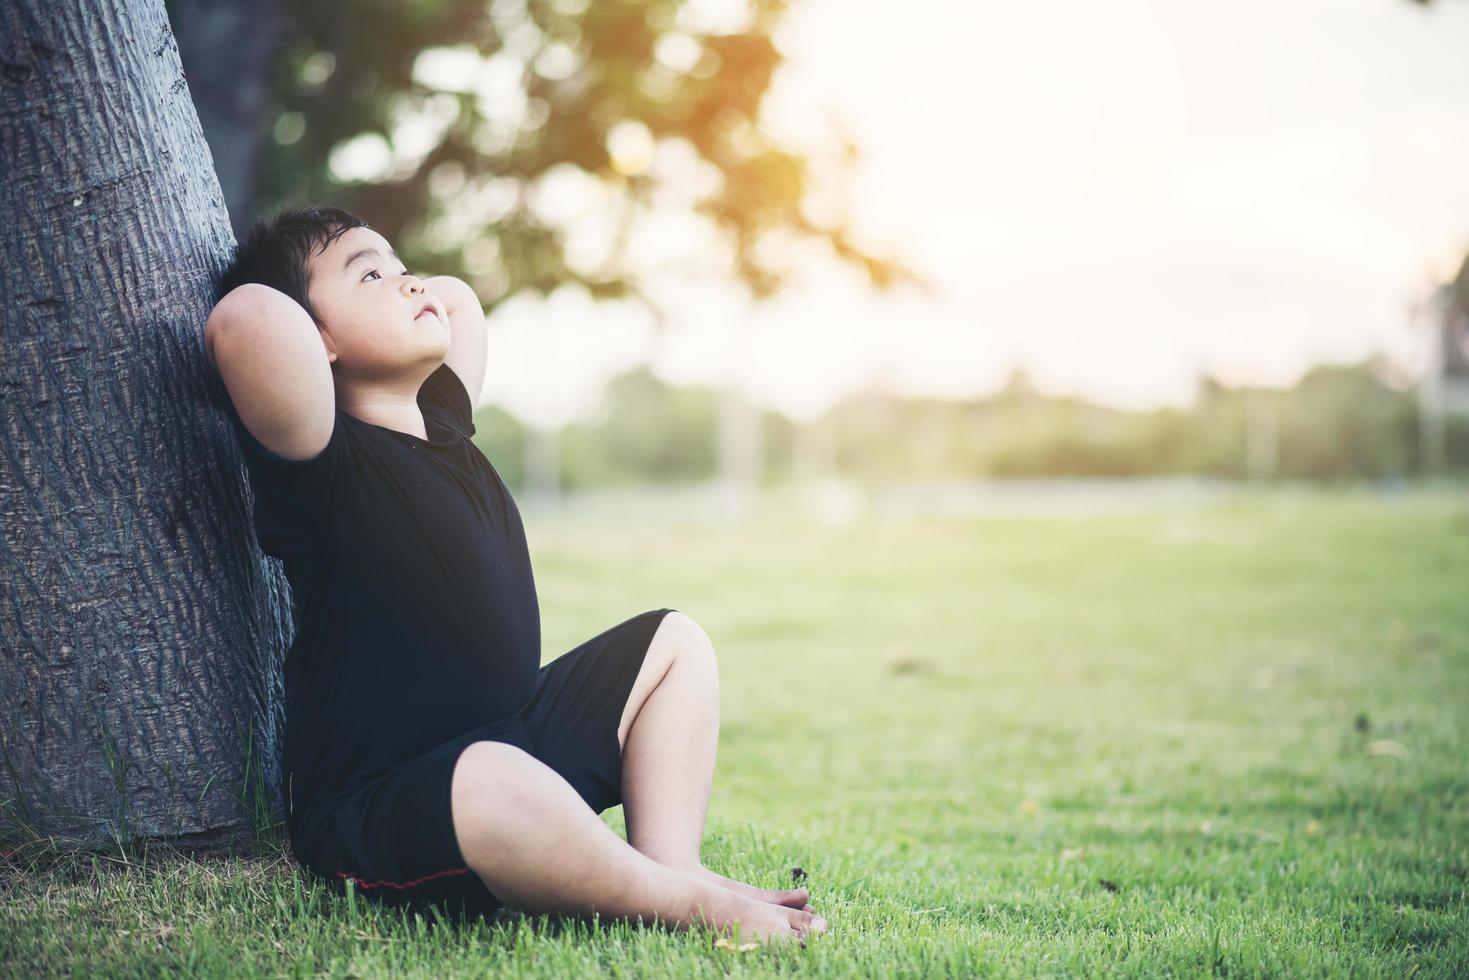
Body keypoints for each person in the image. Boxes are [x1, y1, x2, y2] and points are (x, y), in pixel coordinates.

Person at [204, 205, 827, 945]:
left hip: (514, 738)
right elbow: (244, 318)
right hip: (391, 805)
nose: (412, 286)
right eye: (371, 275)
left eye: (404, 271)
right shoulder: (322, 459)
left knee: (674, 641)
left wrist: (383, 281)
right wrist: (318, 285)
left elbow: (457, 301)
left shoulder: (444, 421)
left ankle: (672, 863)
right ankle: (683, 903)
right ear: (318, 340)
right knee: (494, 777)